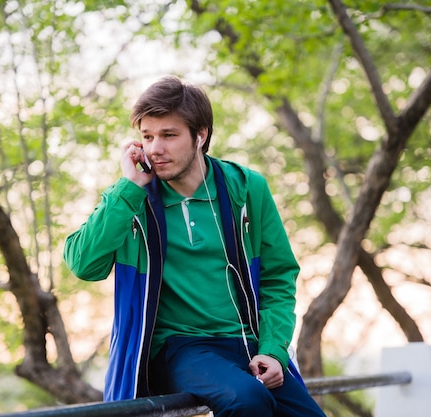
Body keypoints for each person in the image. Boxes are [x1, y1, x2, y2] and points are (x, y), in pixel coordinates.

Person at [63, 76, 326, 417]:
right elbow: (83, 264)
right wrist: (129, 188)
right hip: (179, 348)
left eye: (168, 135)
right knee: (246, 399)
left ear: (200, 135)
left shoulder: (246, 189)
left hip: (248, 345)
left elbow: (279, 276)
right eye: (147, 136)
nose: (155, 148)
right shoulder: (130, 200)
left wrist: (273, 351)